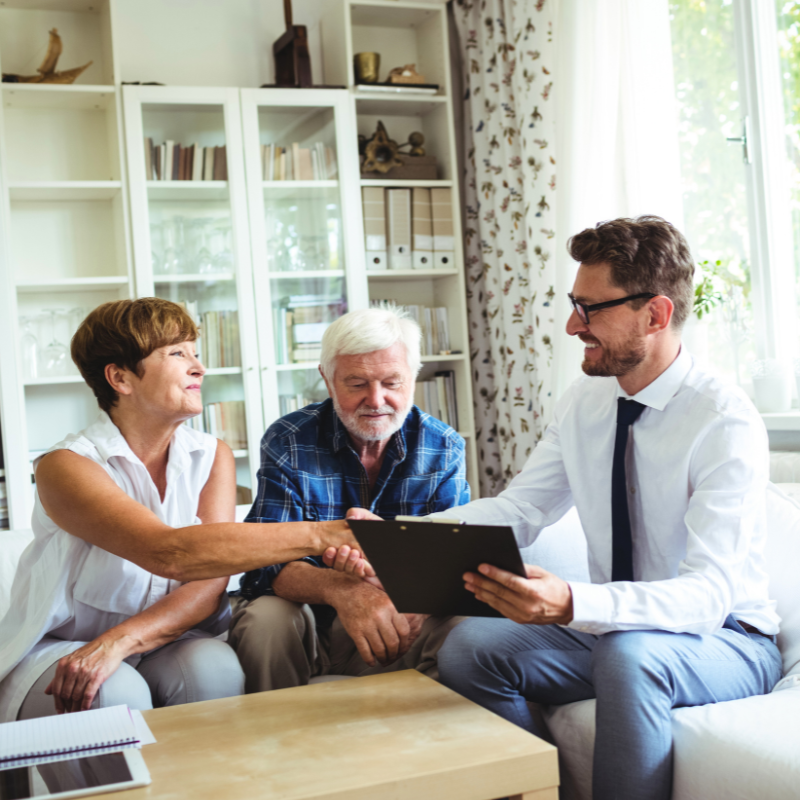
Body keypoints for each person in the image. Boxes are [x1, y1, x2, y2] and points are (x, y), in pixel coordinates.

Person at [350, 217, 782, 800]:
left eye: (591, 309)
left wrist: (574, 601)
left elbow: (708, 595)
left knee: (631, 656)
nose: (572, 325)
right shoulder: (585, 403)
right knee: (471, 649)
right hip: (619, 631)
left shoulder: (722, 421)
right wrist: (402, 538)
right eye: (574, 304)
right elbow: (521, 509)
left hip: (726, 639)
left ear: (654, 314)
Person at [0, 298, 357, 722]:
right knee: (114, 694)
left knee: (215, 669)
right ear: (120, 378)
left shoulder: (212, 456)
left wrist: (122, 641)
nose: (198, 368)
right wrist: (327, 534)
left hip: (164, 637)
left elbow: (206, 585)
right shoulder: (66, 466)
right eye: (176, 354)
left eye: (195, 352)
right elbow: (169, 553)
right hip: (67, 644)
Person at [228, 306, 470, 692]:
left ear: (414, 376)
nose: (376, 400)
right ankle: (277, 743)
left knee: (465, 627)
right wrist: (343, 589)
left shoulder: (443, 446)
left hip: (400, 619)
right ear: (328, 379)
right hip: (310, 627)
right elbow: (264, 566)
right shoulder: (289, 440)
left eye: (392, 383)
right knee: (267, 619)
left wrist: (405, 593)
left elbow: (453, 562)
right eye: (357, 383)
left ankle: (430, 745)